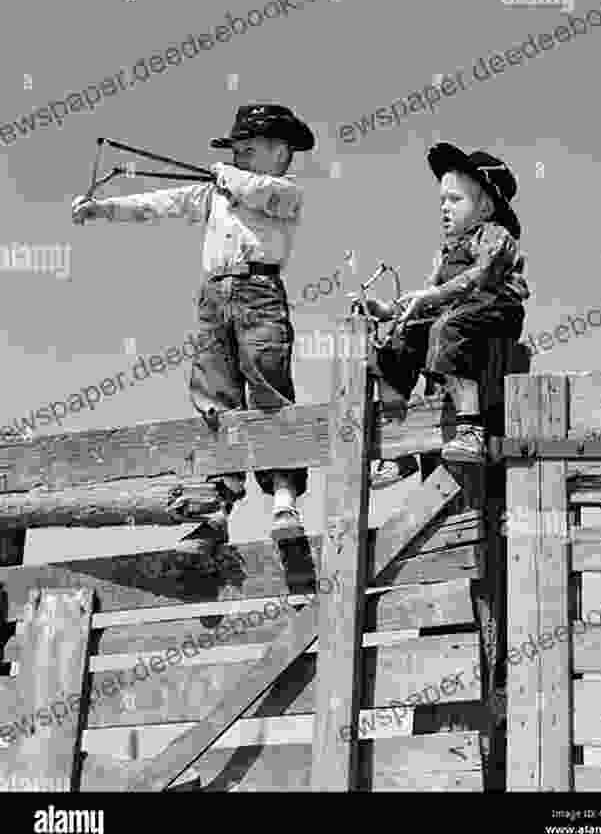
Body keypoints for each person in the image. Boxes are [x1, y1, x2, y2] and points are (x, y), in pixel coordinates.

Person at [71, 103, 315, 566]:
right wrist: (104, 208)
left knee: (268, 389)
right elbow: (160, 203)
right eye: (235, 151)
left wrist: (226, 173)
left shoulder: (284, 192)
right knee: (213, 398)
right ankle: (217, 506)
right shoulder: (218, 191)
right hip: (212, 297)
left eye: (247, 149)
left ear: (280, 153)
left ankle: (284, 497)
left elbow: (257, 191)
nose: (237, 157)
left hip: (258, 291)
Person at [357, 143, 530, 487]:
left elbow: (481, 276)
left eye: (455, 200)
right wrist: (389, 310)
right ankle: (398, 447)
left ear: (485, 207)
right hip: (454, 309)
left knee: (447, 328)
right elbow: (428, 295)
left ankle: (470, 428)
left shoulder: (495, 236)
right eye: (442, 201)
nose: (445, 208)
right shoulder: (445, 253)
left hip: (496, 307)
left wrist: (433, 296)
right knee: (393, 342)